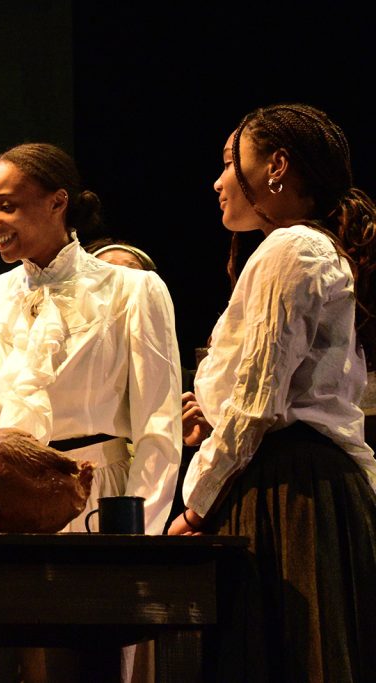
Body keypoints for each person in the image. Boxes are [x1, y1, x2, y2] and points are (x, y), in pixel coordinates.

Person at [0, 143, 183, 682]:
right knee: (4, 663)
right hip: (3, 509)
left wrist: (133, 536)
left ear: (57, 202)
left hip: (96, 502)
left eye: (6, 205)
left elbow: (159, 429)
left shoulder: (132, 290)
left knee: (90, 662)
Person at [170, 103, 376, 682]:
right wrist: (214, 414)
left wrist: (197, 504)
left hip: (287, 493)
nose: (218, 181)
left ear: (277, 167)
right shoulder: (305, 249)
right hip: (290, 480)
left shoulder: (292, 249)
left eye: (228, 162)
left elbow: (259, 404)